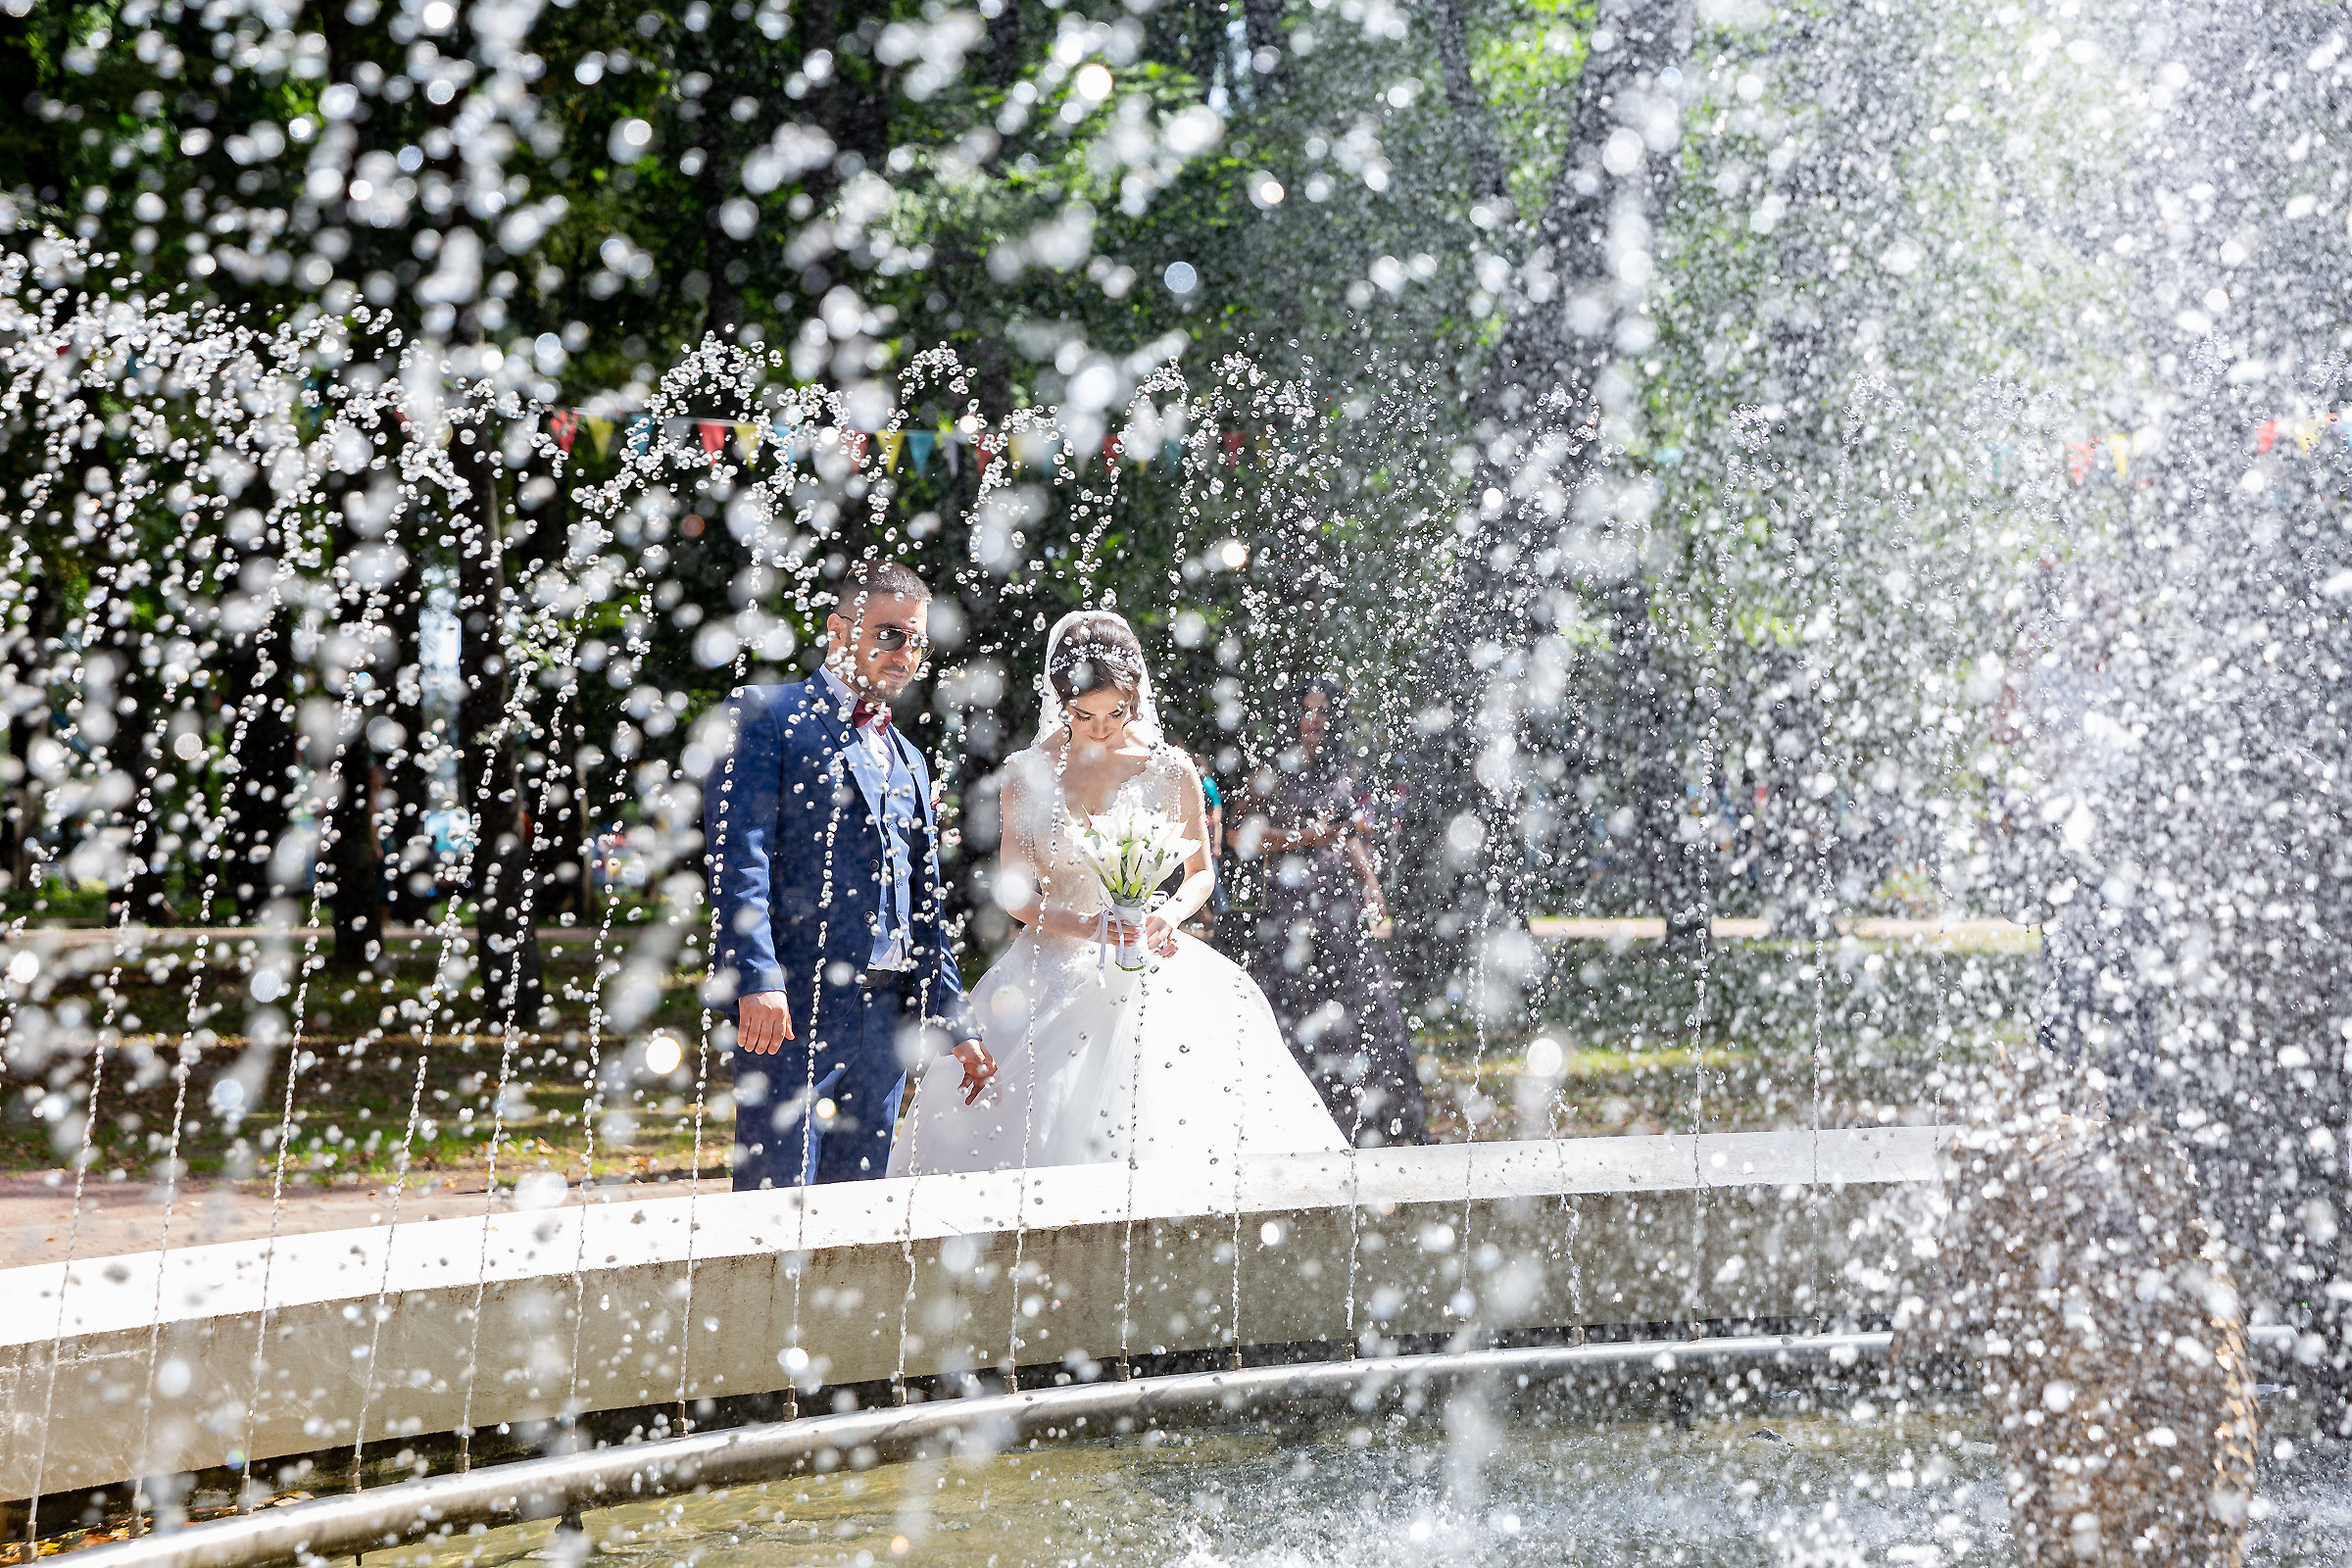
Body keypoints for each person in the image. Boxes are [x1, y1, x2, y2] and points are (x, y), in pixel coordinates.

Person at [890, 611, 1346, 1173]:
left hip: (1150, 960)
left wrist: (1167, 916)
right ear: (1061, 700)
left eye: (1117, 712)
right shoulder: (1027, 774)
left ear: (1136, 697)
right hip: (1049, 965)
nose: (1101, 728)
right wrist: (1090, 927)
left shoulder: (1170, 769)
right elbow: (1015, 895)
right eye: (1083, 715)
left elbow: (1201, 873)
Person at [704, 561, 995, 1189]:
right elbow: (740, 858)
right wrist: (757, 976)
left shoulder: (909, 758)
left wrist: (955, 1021)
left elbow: (923, 903)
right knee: (776, 1196)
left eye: (917, 642)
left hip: (887, 1016)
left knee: (859, 1209)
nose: (905, 654)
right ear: (839, 631)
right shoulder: (767, 714)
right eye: (889, 635)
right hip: (793, 1003)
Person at [1234, 677, 1430, 1148]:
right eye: (1307, 710)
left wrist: (1371, 881)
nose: (1315, 720)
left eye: (1323, 711)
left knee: (1371, 1005)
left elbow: (1348, 835)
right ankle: (1303, 1122)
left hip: (1340, 907)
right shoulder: (1271, 771)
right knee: (1298, 1009)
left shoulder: (1341, 771)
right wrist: (1303, 838)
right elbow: (1241, 835)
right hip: (1291, 913)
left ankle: (1382, 1120)